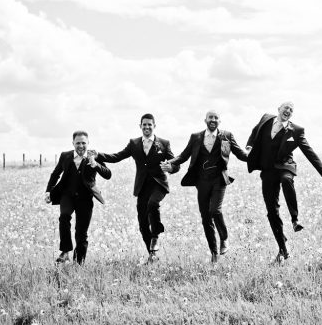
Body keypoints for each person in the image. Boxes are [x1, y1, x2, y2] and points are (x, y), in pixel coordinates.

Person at [246, 101, 322, 262]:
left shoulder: (296, 130)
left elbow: (309, 151)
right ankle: (283, 249)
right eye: (286, 108)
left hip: (285, 166)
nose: (288, 111)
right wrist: (249, 146)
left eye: (291, 110)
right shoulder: (266, 118)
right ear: (278, 109)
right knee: (271, 211)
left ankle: (295, 219)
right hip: (267, 170)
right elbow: (255, 132)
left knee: (287, 180)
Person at [162, 110, 248, 262]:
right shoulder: (196, 137)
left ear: (219, 121)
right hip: (201, 181)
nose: (213, 120)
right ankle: (214, 254)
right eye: (210, 117)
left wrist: (254, 154)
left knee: (215, 210)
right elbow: (184, 155)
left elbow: (241, 154)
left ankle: (224, 237)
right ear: (205, 120)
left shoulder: (226, 135)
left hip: (219, 179)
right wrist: (170, 162)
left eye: (216, 118)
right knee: (205, 218)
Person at [95, 114, 177, 262]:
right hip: (142, 187)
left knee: (153, 204)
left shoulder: (164, 143)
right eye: (144, 125)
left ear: (154, 126)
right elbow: (117, 156)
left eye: (149, 125)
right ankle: (152, 255)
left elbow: (176, 163)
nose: (147, 127)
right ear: (140, 126)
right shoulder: (133, 143)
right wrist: (97, 155)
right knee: (143, 225)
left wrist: (171, 167)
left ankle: (156, 236)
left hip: (159, 185)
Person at [44, 130, 111, 264]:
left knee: (81, 232)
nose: (81, 146)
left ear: (88, 143)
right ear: (73, 143)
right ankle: (65, 251)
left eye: (83, 143)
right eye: (78, 143)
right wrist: (48, 191)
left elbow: (108, 174)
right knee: (64, 217)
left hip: (85, 198)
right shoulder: (65, 156)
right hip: (67, 195)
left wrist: (96, 164)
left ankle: (78, 263)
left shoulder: (94, 156)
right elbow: (55, 174)